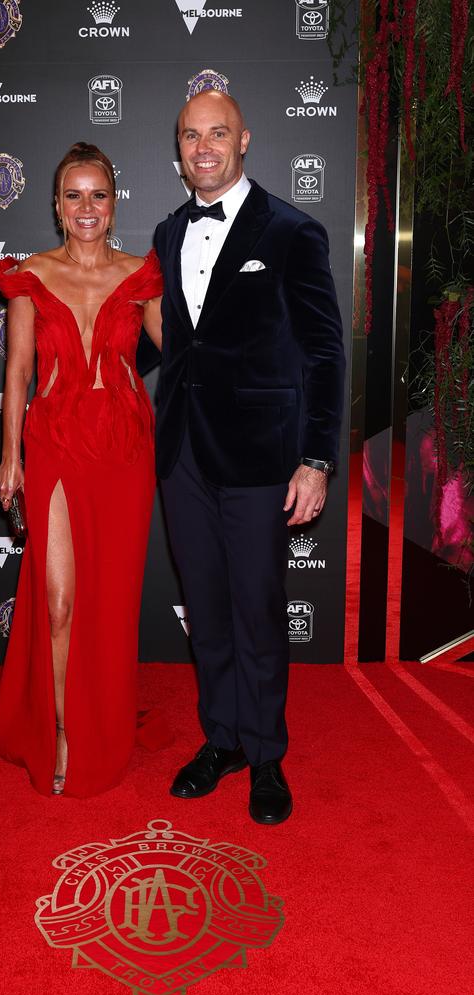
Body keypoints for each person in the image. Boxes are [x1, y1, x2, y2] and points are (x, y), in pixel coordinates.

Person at [153, 89, 345, 824]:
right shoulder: (170, 233)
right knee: (206, 609)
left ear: (244, 140)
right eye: (190, 134)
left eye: (217, 133)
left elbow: (325, 355)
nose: (203, 147)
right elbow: (171, 341)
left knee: (259, 611)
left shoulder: (293, 231)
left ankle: (267, 753)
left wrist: (316, 459)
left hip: (265, 457)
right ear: (179, 149)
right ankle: (223, 739)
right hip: (184, 457)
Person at [0, 142, 163, 797]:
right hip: (56, 442)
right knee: (58, 602)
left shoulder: (143, 274)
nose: (86, 207)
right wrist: (10, 457)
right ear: (56, 205)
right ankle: (59, 730)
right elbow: (19, 370)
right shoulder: (29, 275)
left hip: (123, 450)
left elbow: (183, 348)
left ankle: (101, 726)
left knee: (110, 604)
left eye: (98, 194)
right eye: (73, 195)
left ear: (114, 204)